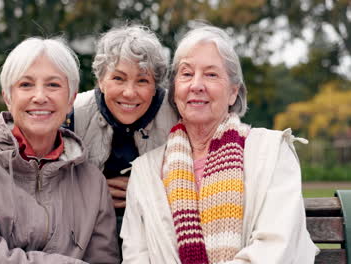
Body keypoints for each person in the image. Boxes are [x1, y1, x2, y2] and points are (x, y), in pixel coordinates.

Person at [121, 23, 319, 263]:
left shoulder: (272, 152)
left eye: (211, 74)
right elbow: (136, 257)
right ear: (174, 91)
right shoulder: (145, 171)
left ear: (233, 92)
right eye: (186, 74)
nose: (196, 85)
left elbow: (275, 248)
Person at [0, 37, 119, 263]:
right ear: (8, 97)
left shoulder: (92, 181)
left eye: (53, 85)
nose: (39, 97)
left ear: (71, 100)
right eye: (26, 85)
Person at [66, 25, 178, 231]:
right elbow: (51, 185)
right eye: (118, 78)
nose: (129, 92)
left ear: (156, 86)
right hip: (89, 230)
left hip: (156, 231)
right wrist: (94, 193)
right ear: (101, 80)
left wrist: (144, 193)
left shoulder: (176, 116)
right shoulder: (73, 115)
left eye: (142, 80)